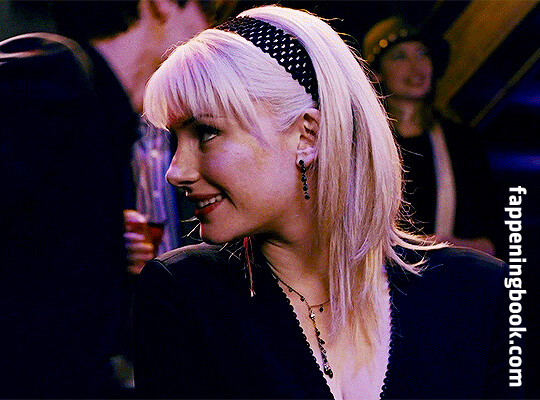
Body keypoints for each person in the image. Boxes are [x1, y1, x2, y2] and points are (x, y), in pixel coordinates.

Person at [132, 5, 519, 399]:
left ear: (307, 135)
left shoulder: (480, 292)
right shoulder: (182, 294)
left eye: (206, 132)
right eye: (176, 138)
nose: (176, 171)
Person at [0, 0, 217, 397]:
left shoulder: (106, 116)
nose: (211, 38)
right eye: (208, 15)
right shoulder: (57, 74)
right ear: (162, 4)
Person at [363, 16, 497, 256]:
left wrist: (445, 244)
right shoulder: (363, 143)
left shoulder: (462, 141)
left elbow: (493, 238)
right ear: (376, 73)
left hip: (448, 273)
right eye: (400, 56)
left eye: (422, 53)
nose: (416, 67)